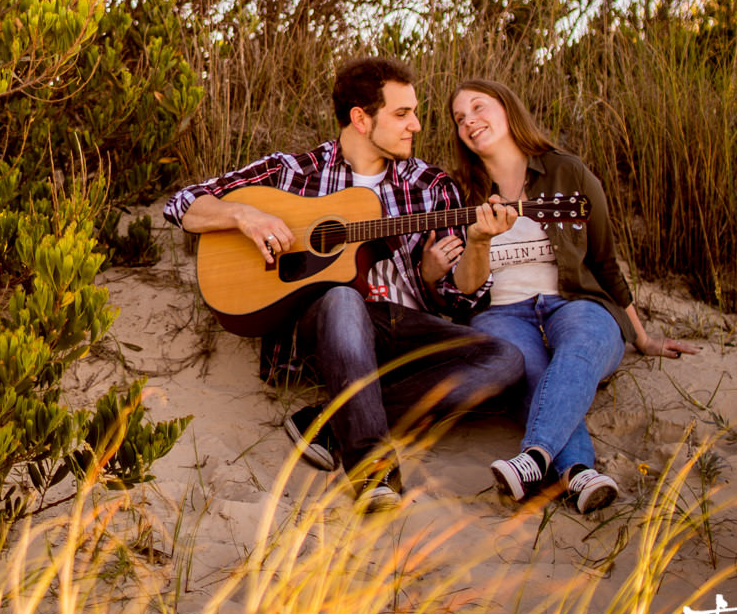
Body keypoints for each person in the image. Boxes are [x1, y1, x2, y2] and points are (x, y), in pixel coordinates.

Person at [164, 56, 526, 509]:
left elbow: (459, 295)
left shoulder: (433, 187)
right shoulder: (295, 173)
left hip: (403, 331)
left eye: (415, 111)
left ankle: (327, 422)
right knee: (341, 296)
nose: (416, 124)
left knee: (504, 359)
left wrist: (475, 246)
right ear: (360, 118)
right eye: (401, 113)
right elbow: (183, 204)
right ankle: (372, 467)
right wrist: (243, 214)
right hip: (326, 329)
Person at [440, 78, 697, 514]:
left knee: (579, 344)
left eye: (479, 107)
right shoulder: (457, 190)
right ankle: (578, 473)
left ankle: (534, 457)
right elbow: (465, 286)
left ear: (507, 108)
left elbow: (605, 263)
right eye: (460, 118)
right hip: (501, 313)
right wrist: (479, 240)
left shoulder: (568, 172)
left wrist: (643, 338)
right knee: (528, 368)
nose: (470, 121)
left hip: (575, 303)